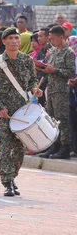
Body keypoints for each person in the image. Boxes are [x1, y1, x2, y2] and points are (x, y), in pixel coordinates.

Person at [0, 27, 41, 197]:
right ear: (4, 41)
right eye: (11, 38)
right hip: (4, 112)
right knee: (5, 147)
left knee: (18, 149)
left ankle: (13, 176)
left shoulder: (26, 60)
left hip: (23, 112)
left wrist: (34, 90)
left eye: (17, 38)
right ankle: (7, 181)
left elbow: (32, 80)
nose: (15, 41)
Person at [39, 25, 75, 159]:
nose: (52, 42)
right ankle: (55, 146)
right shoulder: (54, 52)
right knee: (52, 119)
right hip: (52, 88)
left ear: (61, 37)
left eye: (53, 39)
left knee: (62, 119)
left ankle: (65, 148)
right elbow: (49, 66)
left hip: (61, 90)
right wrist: (43, 66)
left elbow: (71, 72)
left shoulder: (68, 52)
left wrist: (55, 70)